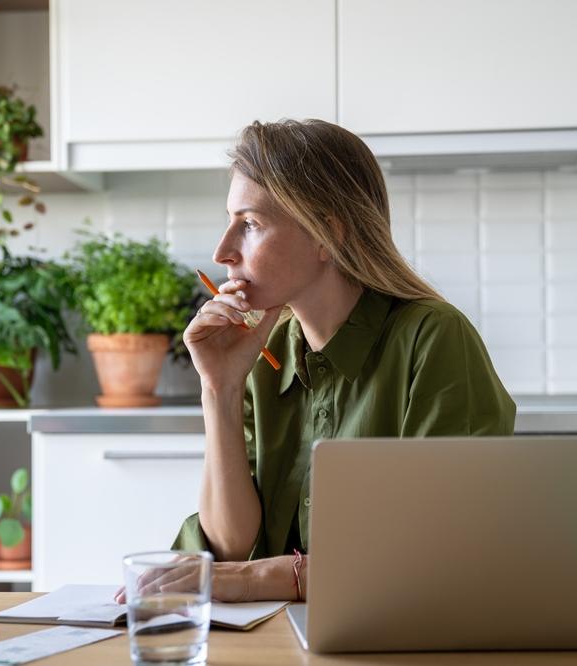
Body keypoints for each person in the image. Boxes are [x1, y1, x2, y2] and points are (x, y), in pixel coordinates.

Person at [117, 119, 515, 605]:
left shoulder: (432, 338)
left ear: (327, 233)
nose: (223, 252)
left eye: (250, 224)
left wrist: (258, 579)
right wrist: (219, 389)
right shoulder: (262, 355)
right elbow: (228, 548)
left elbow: (446, 550)